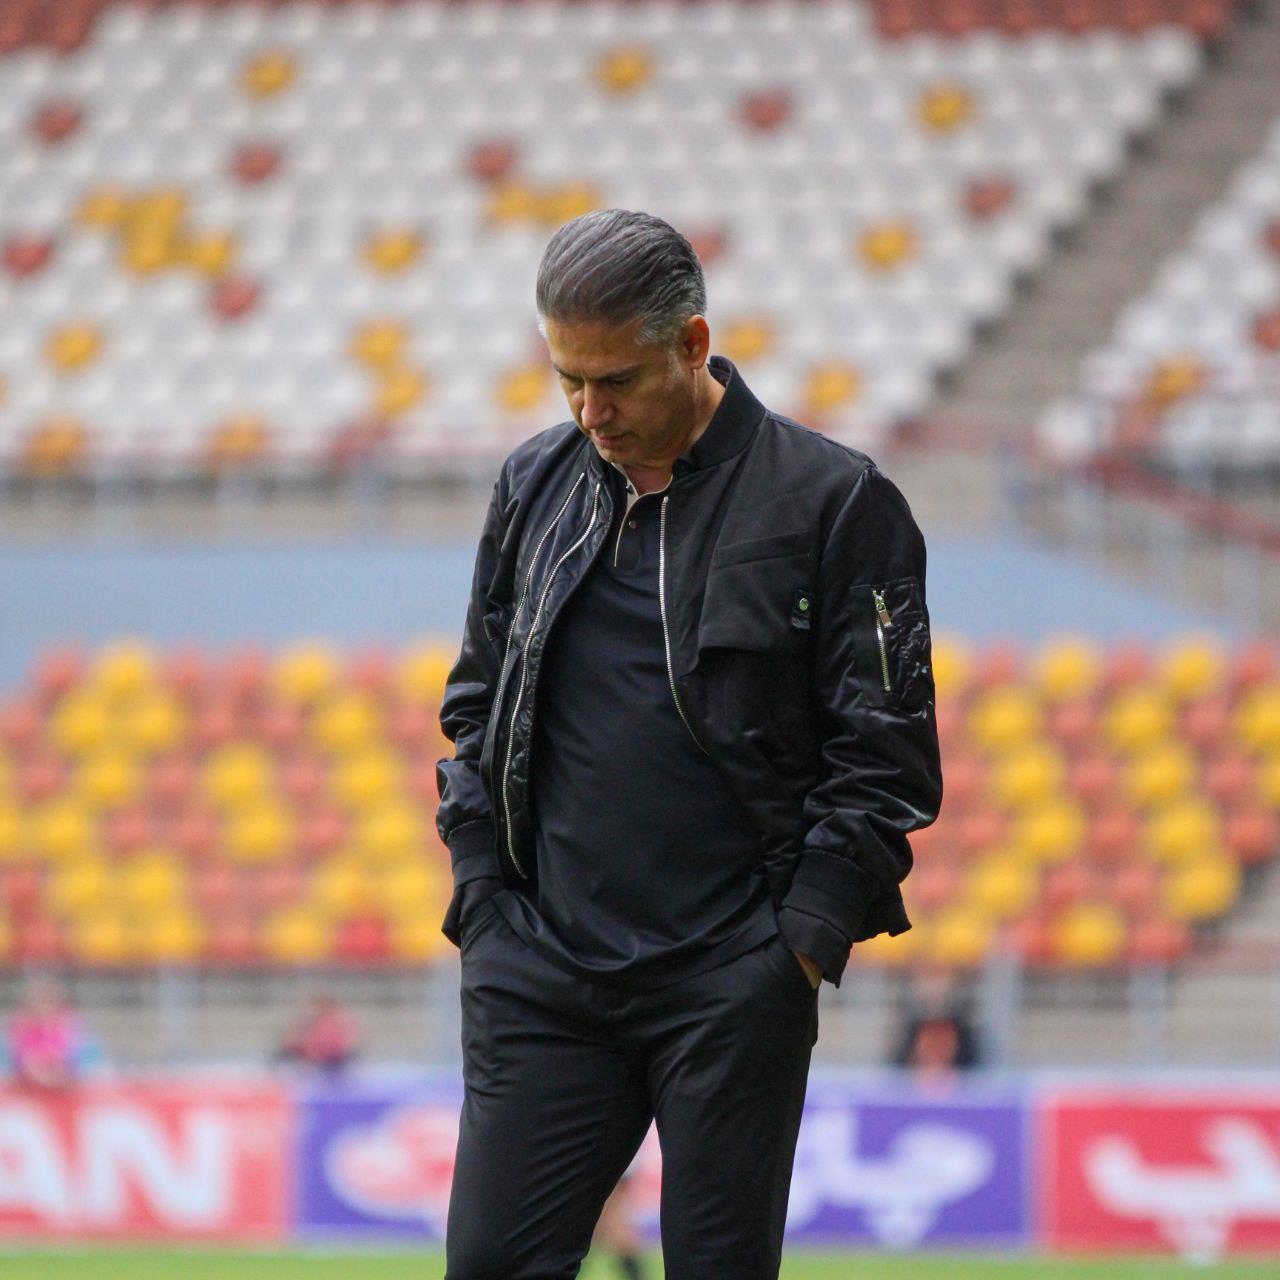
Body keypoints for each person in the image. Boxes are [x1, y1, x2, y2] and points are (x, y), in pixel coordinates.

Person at [435, 209, 943, 1279]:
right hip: (539, 970)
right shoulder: (532, 483)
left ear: (693, 343)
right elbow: (476, 702)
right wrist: (482, 896)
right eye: (567, 380)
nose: (590, 410)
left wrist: (794, 949)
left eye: (615, 380)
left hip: (732, 980)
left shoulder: (834, 501)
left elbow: (887, 754)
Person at [5, 976, 91, 1090]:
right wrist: (37, 1069)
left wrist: (55, 1066)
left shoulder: (68, 1021)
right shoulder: (21, 1022)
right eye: (40, 1000)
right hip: (29, 1077)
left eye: (48, 1000)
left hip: (61, 1076)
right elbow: (20, 1054)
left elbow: (72, 1052)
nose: (44, 1005)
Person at [273, 993, 358, 1075]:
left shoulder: (333, 1023)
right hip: (312, 1060)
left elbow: (335, 1046)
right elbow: (291, 1040)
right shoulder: (308, 1022)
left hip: (328, 1061)